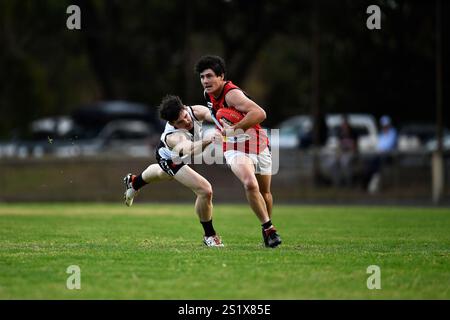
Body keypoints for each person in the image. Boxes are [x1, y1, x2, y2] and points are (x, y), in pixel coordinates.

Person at [194, 55, 282, 248]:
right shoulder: (207, 94)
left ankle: (266, 229)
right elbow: (218, 116)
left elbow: (260, 113)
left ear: (221, 76)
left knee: (265, 192)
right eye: (202, 77)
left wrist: (234, 129)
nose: (206, 81)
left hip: (257, 143)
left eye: (209, 76)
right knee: (250, 184)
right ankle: (269, 228)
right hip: (234, 147)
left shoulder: (231, 94)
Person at [123, 95, 224, 247]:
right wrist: (209, 140)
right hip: (171, 158)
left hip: (176, 155)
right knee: (205, 190)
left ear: (185, 108)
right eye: (180, 122)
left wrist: (225, 123)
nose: (186, 122)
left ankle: (134, 182)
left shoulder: (195, 111)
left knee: (162, 174)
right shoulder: (174, 137)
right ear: (172, 123)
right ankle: (210, 235)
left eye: (185, 116)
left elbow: (215, 116)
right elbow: (191, 149)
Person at [366, 115, 398, 194]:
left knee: (375, 162)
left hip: (389, 156)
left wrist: (381, 150)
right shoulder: (381, 134)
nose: (385, 127)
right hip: (380, 155)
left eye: (386, 125)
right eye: (384, 125)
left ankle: (373, 179)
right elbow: (379, 145)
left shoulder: (393, 132)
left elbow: (389, 145)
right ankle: (370, 180)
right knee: (370, 162)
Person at [330, 115, 359, 187]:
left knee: (345, 162)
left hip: (351, 153)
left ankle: (349, 183)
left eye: (345, 123)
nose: (344, 125)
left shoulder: (353, 133)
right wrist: (338, 154)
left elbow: (355, 147)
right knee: (333, 163)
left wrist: (348, 148)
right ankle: (337, 183)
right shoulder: (340, 134)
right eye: (343, 123)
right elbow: (339, 147)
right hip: (342, 154)